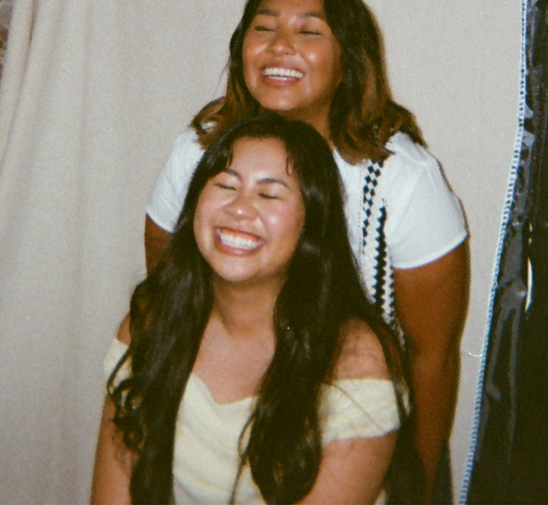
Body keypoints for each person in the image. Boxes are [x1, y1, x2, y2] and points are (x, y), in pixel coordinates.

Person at [144, 0, 469, 502]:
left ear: (349, 61)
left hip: (356, 432)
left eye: (309, 31)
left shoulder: (403, 179)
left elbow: (432, 356)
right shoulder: (198, 156)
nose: (279, 48)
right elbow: (171, 297)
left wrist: (417, 483)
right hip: (217, 429)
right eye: (263, 28)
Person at [93, 114, 414, 504]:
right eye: (226, 185)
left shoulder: (353, 360)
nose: (240, 208)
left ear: (312, 222)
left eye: (269, 194)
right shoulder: (152, 320)